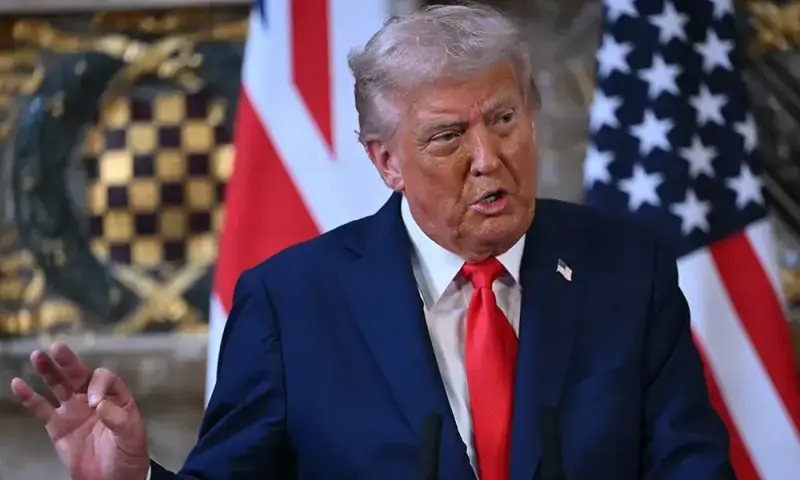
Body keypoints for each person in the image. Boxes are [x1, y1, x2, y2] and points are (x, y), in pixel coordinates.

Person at [10, 4, 735, 480]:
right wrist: (134, 476)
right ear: (386, 161)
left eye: (504, 120)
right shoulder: (293, 304)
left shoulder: (626, 270)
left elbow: (693, 467)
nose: (488, 158)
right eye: (448, 136)